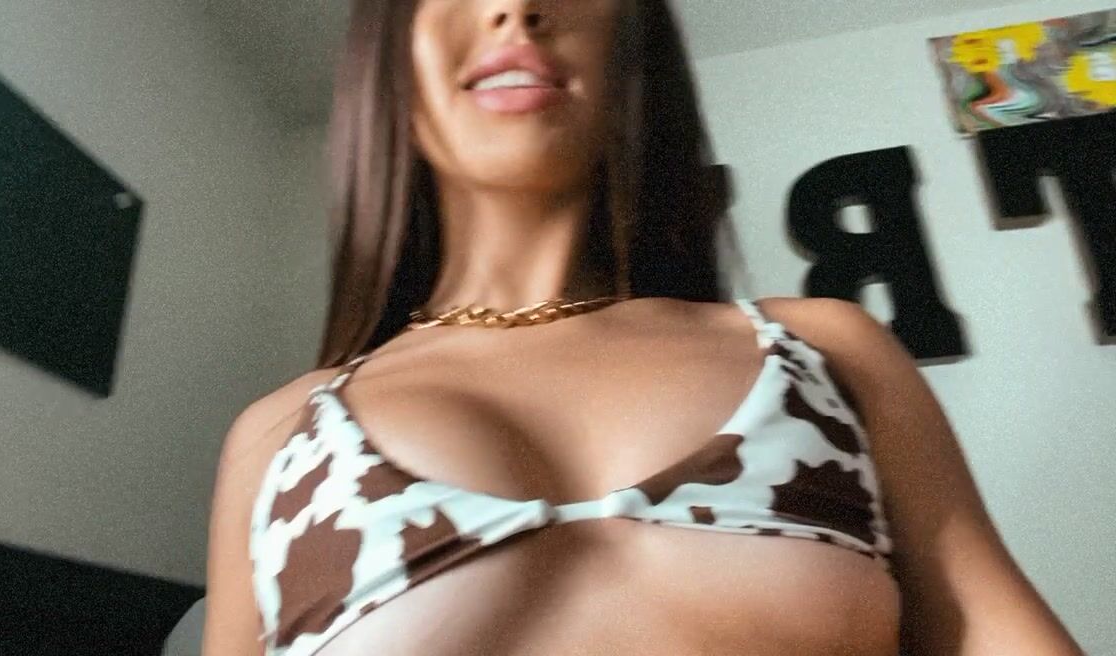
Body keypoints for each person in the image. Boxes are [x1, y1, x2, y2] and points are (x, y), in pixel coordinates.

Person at [202, 1, 1084, 655]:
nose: (518, 9)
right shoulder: (283, 435)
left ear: (635, 44)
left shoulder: (824, 351)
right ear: (388, 53)